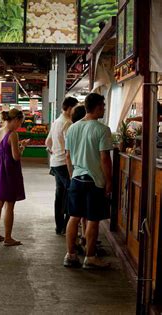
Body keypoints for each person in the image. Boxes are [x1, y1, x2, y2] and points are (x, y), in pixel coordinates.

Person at [63, 93, 113, 269]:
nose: (104, 109)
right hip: (94, 181)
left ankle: (71, 255)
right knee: (92, 219)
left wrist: (72, 176)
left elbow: (68, 156)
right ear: (98, 107)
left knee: (73, 217)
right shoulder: (102, 130)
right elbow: (105, 159)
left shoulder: (72, 128)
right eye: (103, 106)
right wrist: (109, 181)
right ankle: (90, 258)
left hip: (76, 178)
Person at [0, 109, 28, 246]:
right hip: (8, 170)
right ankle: (8, 238)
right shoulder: (13, 134)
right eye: (20, 122)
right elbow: (16, 157)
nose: (19, 126)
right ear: (16, 120)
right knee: (9, 205)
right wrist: (22, 147)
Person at [45, 97, 78, 235]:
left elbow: (48, 142)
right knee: (73, 194)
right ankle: (67, 226)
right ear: (70, 108)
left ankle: (59, 227)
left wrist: (54, 151)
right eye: (75, 108)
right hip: (65, 164)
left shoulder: (56, 122)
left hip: (55, 163)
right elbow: (69, 149)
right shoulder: (68, 124)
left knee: (60, 195)